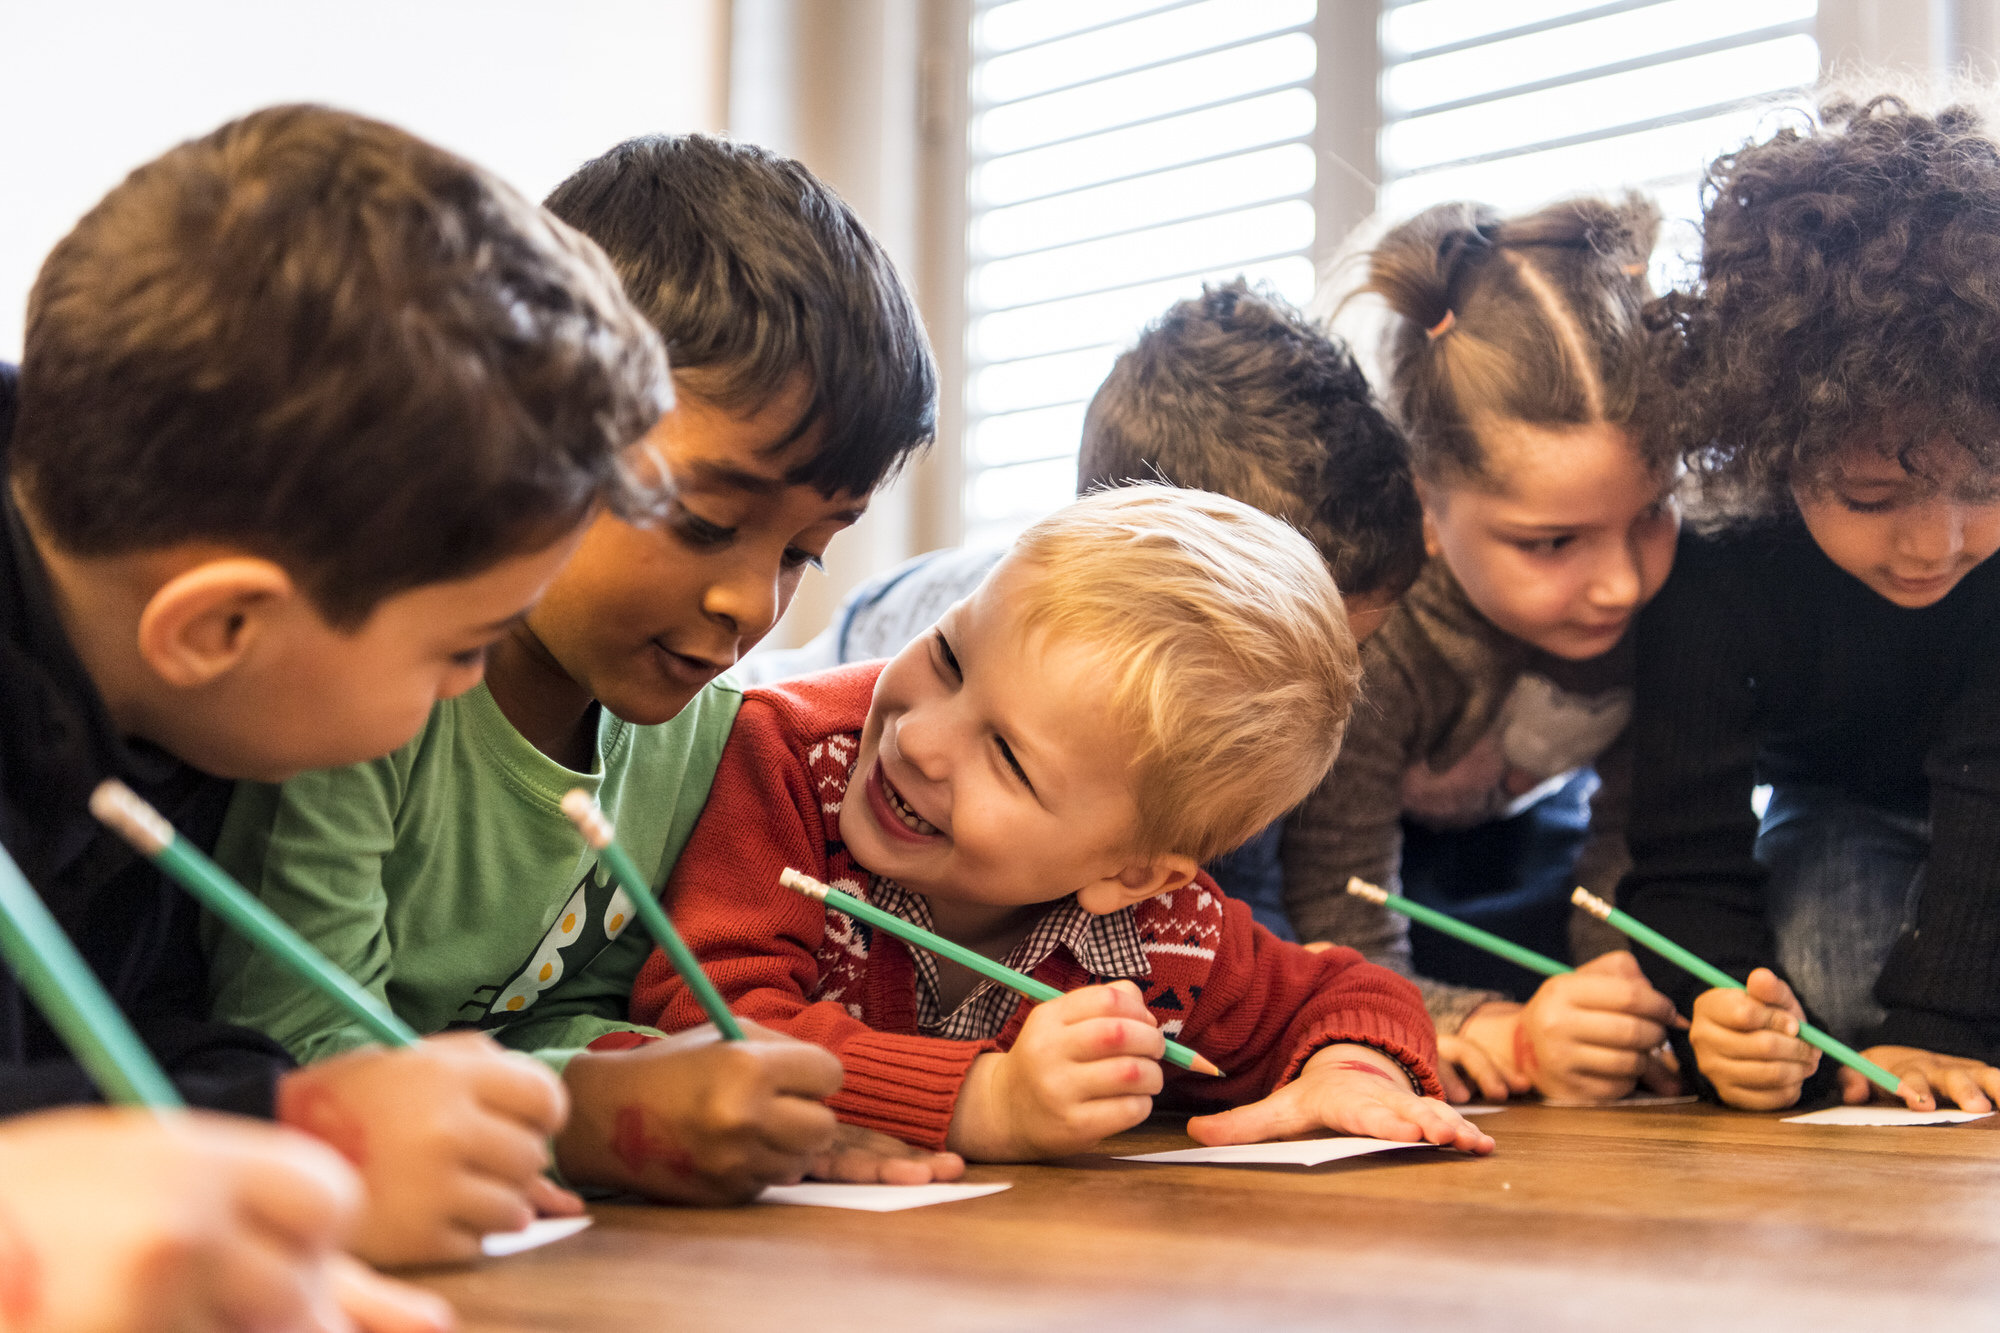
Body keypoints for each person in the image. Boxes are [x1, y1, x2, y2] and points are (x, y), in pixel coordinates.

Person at [211, 135, 962, 1204]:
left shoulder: (702, 733)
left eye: (804, 553)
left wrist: (681, 1087)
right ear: (532, 430)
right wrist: (593, 1118)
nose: (750, 606)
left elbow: (566, 1006)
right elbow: (292, 1044)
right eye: (704, 521)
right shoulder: (362, 698)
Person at [0, 103, 667, 1281]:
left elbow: (133, 1030)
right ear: (221, 626)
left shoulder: (184, 710)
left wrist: (304, 1094)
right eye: (464, 648)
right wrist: (306, 1143)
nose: (470, 689)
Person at [633, 487, 1495, 1162]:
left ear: (1133, 873)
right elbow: (701, 1025)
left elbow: (1349, 994)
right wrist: (986, 1103)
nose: (920, 737)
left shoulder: (1162, 931)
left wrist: (1349, 1070)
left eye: (1007, 757)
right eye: (948, 655)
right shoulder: (787, 757)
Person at [743, 279, 1427, 941]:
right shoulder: (871, 703)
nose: (1323, 681)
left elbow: (1250, 924)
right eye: (950, 657)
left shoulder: (1168, 744)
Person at [1623, 93, 2000, 1114]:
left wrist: (1938, 1024)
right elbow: (1683, 852)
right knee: (1822, 994)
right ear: (1775, 455)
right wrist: (1719, 1015)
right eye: (1871, 497)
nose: (1936, 543)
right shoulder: (1714, 568)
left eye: (1985, 488)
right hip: (1841, 809)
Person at [1281, 196, 1685, 1106]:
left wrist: (1609, 1009)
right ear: (1426, 505)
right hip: (1379, 869)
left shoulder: (1671, 608)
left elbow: (1624, 856)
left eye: (1652, 515)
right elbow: (1339, 911)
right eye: (1552, 542)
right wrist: (1469, 1022)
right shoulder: (1369, 646)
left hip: (1502, 838)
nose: (1621, 583)